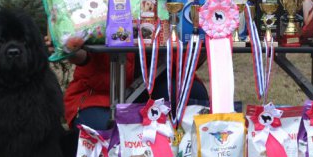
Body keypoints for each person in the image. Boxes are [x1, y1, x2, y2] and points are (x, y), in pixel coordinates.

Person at [47, 37, 209, 130]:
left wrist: (207, 35)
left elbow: (189, 60)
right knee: (109, 133)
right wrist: (68, 47)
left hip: (159, 85)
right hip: (99, 95)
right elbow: (83, 58)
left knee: (192, 96)